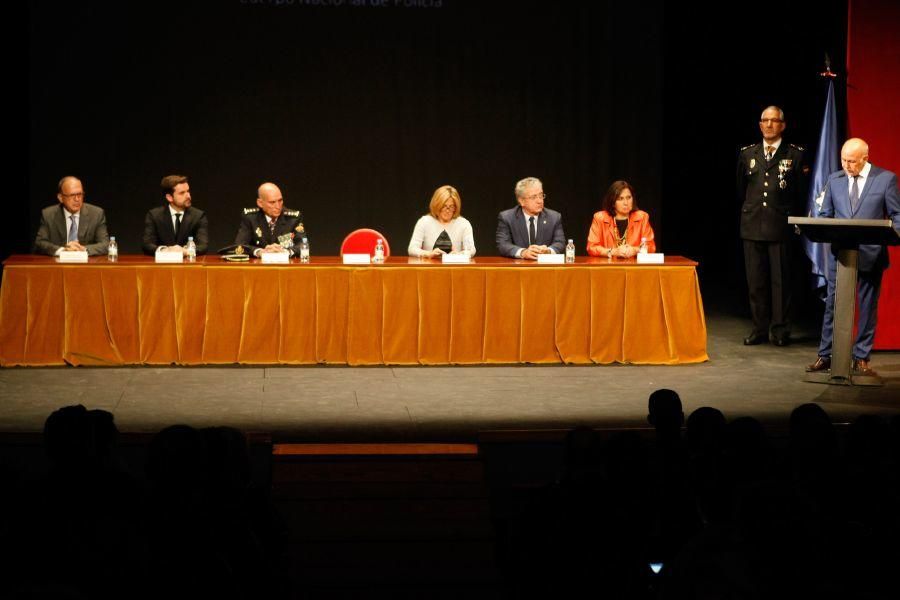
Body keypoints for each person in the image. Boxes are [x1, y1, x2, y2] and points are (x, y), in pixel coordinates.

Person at [807, 138, 900, 376]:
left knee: (867, 307)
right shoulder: (834, 179)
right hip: (841, 255)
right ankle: (825, 354)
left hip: (871, 254)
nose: (846, 165)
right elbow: (826, 214)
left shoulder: (885, 179)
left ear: (865, 159)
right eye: (843, 160)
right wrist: (819, 226)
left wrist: (894, 235)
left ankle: (861, 357)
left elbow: (897, 215)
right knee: (832, 305)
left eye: (851, 161)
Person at [736, 106, 807, 346]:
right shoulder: (748, 153)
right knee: (756, 282)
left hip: (780, 225)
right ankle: (758, 328)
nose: (768, 125)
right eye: (764, 120)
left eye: (774, 121)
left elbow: (800, 192)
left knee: (781, 282)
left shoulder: (795, 154)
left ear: (782, 125)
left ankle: (779, 330)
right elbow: (740, 188)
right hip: (753, 223)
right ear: (759, 124)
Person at [33, 176, 109, 256]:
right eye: (72, 195)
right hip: (58, 265)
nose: (77, 199)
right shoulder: (48, 215)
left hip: (86, 265)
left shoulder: (96, 214)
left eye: (80, 194)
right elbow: (40, 243)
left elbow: (105, 244)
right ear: (61, 198)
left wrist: (83, 249)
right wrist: (63, 250)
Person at [496, 177, 566, 259]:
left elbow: (560, 243)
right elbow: (503, 244)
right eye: (534, 197)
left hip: (545, 267)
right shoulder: (507, 217)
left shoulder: (554, 217)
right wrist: (523, 252)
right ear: (521, 201)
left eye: (541, 195)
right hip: (518, 268)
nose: (539, 201)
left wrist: (548, 251)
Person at [233, 182, 307, 257]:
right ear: (260, 203)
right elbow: (239, 245)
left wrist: (285, 252)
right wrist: (259, 252)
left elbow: (303, 244)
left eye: (280, 200)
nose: (278, 206)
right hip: (259, 266)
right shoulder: (250, 218)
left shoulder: (293, 218)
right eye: (272, 202)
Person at [586, 180, 656, 258]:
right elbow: (591, 247)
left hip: (634, 267)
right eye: (620, 199)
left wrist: (635, 250)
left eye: (628, 197)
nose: (626, 203)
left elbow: (651, 247)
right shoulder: (599, 218)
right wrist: (613, 251)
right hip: (608, 267)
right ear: (613, 202)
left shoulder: (642, 217)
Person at [142, 174, 209, 256]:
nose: (188, 196)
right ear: (169, 197)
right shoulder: (154, 215)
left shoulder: (198, 216)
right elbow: (147, 245)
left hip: (189, 265)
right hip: (162, 266)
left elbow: (203, 246)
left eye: (188, 191)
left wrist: (186, 251)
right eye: (182, 193)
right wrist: (165, 250)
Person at [407, 185, 476, 258]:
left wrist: (459, 255)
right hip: (430, 267)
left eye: (451, 207)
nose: (447, 210)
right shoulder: (424, 222)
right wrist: (428, 254)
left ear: (456, 207)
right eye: (444, 206)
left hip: (454, 267)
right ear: (437, 205)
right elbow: (412, 249)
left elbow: (471, 250)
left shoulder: (464, 224)